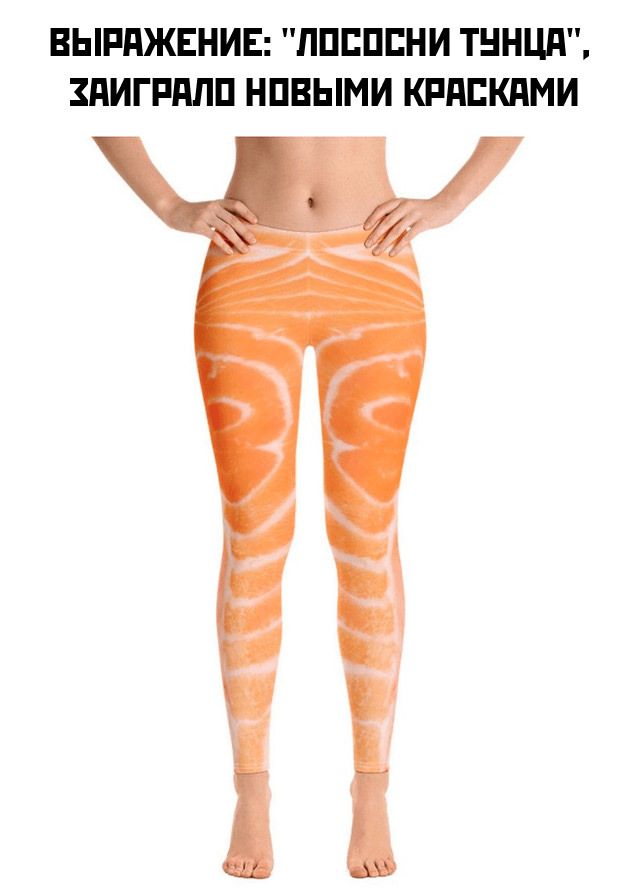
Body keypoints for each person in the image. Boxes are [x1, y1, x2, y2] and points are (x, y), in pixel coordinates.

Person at [92, 135, 523, 879]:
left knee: (366, 535)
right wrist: (168, 204)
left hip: (374, 266)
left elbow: (528, 87)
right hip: (248, 262)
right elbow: (90, 84)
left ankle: (372, 788)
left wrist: (450, 202)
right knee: (253, 535)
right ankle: (251, 789)